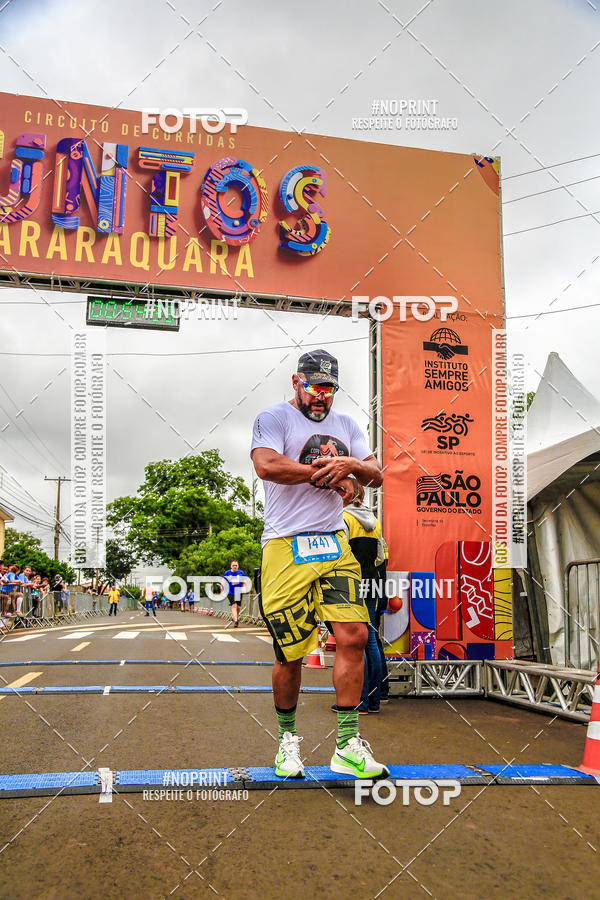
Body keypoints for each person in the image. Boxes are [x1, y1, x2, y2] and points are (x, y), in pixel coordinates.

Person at [251, 348, 389, 780]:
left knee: (354, 634)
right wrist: (325, 474)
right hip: (285, 545)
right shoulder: (273, 418)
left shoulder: (347, 425)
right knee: (290, 652)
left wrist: (351, 466)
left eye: (328, 389)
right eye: (313, 387)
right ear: (297, 382)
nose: (321, 397)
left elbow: (376, 471)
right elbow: (267, 465)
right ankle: (287, 742)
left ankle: (347, 745)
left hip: (334, 542)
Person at [342, 485, 388, 713]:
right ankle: (374, 701)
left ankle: (360, 701)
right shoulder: (375, 520)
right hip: (372, 581)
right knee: (371, 640)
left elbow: (339, 553)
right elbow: (381, 557)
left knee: (355, 643)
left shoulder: (343, 518)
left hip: (351, 583)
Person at [223, 561, 245, 627]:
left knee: (238, 607)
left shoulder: (241, 573)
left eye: (236, 565)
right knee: (234, 605)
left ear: (238, 566)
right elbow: (224, 581)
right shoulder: (227, 573)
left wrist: (243, 588)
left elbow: (243, 581)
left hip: (238, 591)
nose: (235, 566)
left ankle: (235, 617)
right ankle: (236, 621)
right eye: (233, 565)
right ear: (231, 566)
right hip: (230, 591)